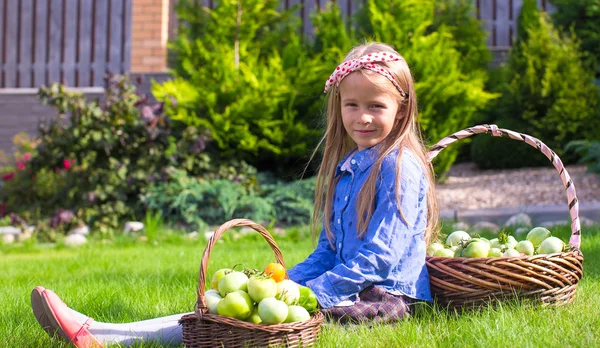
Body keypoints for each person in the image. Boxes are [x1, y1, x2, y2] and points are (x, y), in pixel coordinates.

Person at [31, 41, 439, 347]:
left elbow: (379, 258)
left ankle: (112, 338)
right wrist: (282, 282)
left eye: (376, 106)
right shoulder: (349, 166)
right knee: (240, 306)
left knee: (257, 322)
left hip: (385, 298)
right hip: (351, 285)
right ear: (339, 106)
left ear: (400, 109)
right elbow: (329, 250)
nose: (362, 117)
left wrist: (314, 292)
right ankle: (102, 331)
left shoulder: (399, 167)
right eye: (351, 104)